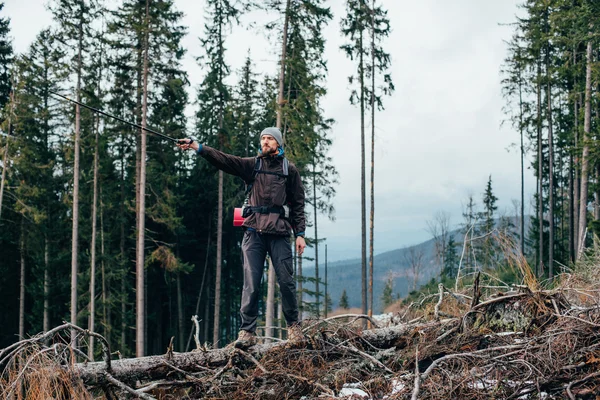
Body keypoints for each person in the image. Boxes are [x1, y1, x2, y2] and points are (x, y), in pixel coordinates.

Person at [178, 127, 306, 348]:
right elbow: (224, 160)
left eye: (269, 139)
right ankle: (247, 332)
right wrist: (198, 147)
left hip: (279, 234)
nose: (265, 142)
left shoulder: (289, 170)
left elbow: (298, 203)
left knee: (286, 282)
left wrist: (300, 234)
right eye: (263, 138)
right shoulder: (252, 165)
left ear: (278, 143)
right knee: (251, 284)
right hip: (253, 233)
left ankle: (294, 328)